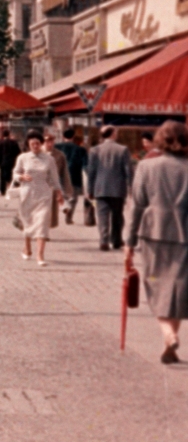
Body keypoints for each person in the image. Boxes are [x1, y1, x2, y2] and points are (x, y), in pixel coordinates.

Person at [123, 119, 188, 364]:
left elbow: (137, 206)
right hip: (185, 236)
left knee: (156, 286)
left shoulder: (147, 167)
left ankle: (168, 334)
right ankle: (170, 341)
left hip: (154, 235)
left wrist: (128, 242)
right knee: (179, 288)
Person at [11, 132, 63, 266]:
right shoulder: (23, 157)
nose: (35, 145)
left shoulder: (49, 159)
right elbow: (15, 173)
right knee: (27, 222)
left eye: (38, 143)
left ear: (42, 144)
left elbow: (54, 177)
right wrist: (21, 177)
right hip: (27, 194)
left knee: (42, 223)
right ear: (28, 144)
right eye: (32, 143)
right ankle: (27, 247)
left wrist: (58, 192)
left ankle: (40, 255)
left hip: (44, 195)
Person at [87, 125, 133, 252]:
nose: (117, 134)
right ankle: (116, 240)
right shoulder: (122, 149)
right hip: (118, 189)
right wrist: (131, 187)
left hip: (100, 187)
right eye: (116, 132)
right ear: (112, 134)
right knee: (117, 215)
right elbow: (128, 170)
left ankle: (104, 241)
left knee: (102, 215)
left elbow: (91, 171)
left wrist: (89, 189)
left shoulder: (95, 150)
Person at [55, 127, 89, 225]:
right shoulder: (81, 150)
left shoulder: (56, 147)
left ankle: (63, 207)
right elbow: (85, 165)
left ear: (62, 136)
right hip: (75, 177)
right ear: (73, 136)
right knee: (73, 198)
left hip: (58, 176)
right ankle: (68, 216)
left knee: (61, 195)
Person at [0, 127, 22, 196]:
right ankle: (12, 189)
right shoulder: (14, 142)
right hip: (12, 162)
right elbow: (18, 152)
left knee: (2, 177)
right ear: (9, 134)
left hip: (3, 162)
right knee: (11, 176)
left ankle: (2, 191)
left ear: (2, 135)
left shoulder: (0, 143)